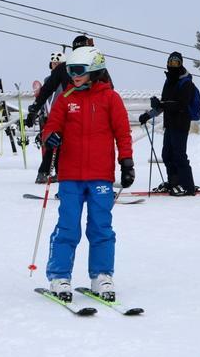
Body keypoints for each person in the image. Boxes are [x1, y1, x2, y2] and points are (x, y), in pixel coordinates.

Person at [40, 46, 134, 303]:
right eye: (70, 71)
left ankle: (101, 275)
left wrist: (126, 162)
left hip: (100, 175)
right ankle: (59, 275)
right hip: (70, 175)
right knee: (68, 226)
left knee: (101, 226)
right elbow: (49, 129)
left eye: (79, 70)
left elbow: (122, 133)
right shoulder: (66, 98)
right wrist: (52, 137)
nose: (73, 75)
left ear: (94, 70)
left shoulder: (110, 98)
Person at [27, 37, 93, 184]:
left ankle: (94, 181)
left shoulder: (95, 67)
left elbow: (108, 90)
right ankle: (62, 180)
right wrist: (34, 109)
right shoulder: (64, 68)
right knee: (59, 144)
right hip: (69, 114)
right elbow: (46, 90)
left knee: (88, 148)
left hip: (90, 114)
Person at [138, 51, 200, 196]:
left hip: (181, 123)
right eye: (171, 62)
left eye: (176, 63)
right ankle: (174, 183)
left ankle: (187, 186)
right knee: (167, 155)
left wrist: (162, 104)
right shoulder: (169, 81)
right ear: (167, 63)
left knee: (179, 155)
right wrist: (147, 115)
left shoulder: (186, 83)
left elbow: (181, 105)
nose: (173, 65)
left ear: (181, 64)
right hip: (170, 124)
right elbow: (163, 105)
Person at [33, 51, 64, 184]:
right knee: (51, 145)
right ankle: (43, 172)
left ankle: (58, 172)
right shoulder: (48, 80)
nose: (55, 65)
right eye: (53, 63)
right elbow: (44, 98)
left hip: (62, 117)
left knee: (61, 147)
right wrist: (37, 111)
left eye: (58, 63)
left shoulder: (66, 81)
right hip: (50, 118)